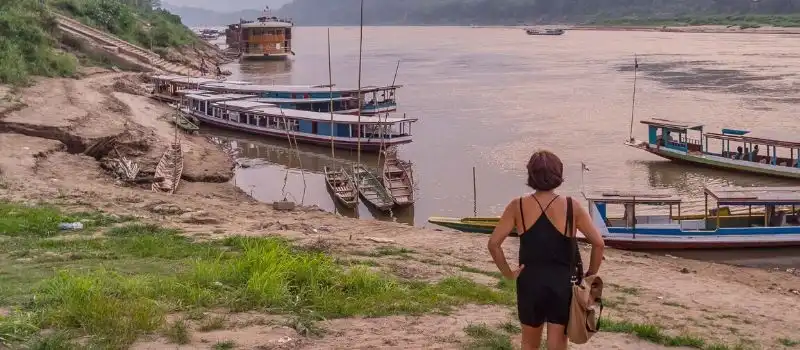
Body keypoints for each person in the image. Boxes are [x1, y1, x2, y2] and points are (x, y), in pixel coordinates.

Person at [487, 150, 605, 350]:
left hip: (530, 282)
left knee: (529, 343)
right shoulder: (571, 206)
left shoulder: (518, 206)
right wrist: (590, 275)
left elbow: (494, 244)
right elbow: (598, 243)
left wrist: (508, 273)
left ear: (530, 175)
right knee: (557, 344)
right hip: (562, 283)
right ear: (558, 174)